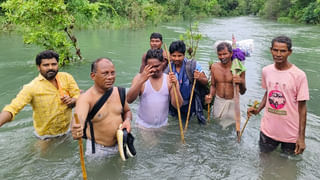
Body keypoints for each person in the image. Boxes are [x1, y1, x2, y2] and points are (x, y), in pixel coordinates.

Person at [247, 36, 309, 155]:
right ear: (271, 50)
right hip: (268, 130)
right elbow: (268, 92)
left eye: (283, 51)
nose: (278, 54)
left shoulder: (299, 75)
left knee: (288, 167)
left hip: (290, 134)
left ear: (289, 52)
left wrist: (301, 137)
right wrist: (258, 109)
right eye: (275, 50)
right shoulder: (266, 70)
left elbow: (302, 108)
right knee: (264, 162)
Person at [0, 50, 80, 140]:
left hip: (68, 131)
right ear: (38, 67)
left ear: (58, 64)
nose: (51, 68)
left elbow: (78, 95)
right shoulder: (31, 88)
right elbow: (13, 108)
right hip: (46, 137)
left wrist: (73, 100)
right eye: (46, 65)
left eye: (54, 64)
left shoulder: (66, 77)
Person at [71, 58, 132, 157]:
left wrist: (128, 120)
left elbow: (127, 111)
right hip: (99, 150)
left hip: (121, 145)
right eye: (105, 73)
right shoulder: (85, 99)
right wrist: (76, 128)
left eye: (112, 73)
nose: (110, 77)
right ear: (93, 76)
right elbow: (79, 118)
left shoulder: (119, 92)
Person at [127, 49, 183, 128]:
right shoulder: (139, 78)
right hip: (143, 126)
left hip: (163, 125)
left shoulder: (169, 79)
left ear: (163, 63)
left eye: (157, 66)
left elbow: (177, 105)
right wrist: (141, 81)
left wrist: (176, 86)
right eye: (150, 67)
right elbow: (129, 100)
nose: (153, 69)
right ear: (146, 64)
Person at [205, 42, 246, 129]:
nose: (222, 57)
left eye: (225, 54)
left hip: (233, 102)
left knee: (233, 128)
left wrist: (241, 81)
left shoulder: (238, 69)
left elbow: (243, 91)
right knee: (217, 127)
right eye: (220, 54)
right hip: (218, 101)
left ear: (231, 54)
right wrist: (210, 95)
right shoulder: (214, 67)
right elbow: (213, 85)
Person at [166, 40, 208, 124]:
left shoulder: (193, 65)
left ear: (184, 54)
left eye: (179, 56)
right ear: (170, 55)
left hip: (190, 105)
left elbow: (205, 81)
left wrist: (199, 77)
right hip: (173, 105)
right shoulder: (167, 68)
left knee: (190, 123)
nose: (176, 58)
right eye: (174, 56)